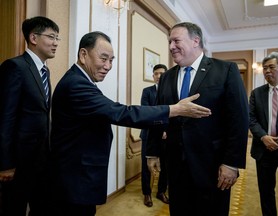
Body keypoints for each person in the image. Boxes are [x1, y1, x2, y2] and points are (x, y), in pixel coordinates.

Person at [48, 31, 212, 216]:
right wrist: (173, 110)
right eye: (103, 58)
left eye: (111, 60)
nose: (108, 66)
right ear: (83, 54)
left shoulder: (80, 81)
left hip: (78, 175)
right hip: (74, 179)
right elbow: (121, 112)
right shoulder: (76, 85)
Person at [146, 22, 249, 216]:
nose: (171, 47)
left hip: (212, 166)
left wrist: (231, 163)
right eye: (169, 42)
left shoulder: (225, 70)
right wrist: (153, 152)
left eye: (176, 40)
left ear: (195, 41)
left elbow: (239, 119)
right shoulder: (167, 77)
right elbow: (158, 115)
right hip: (176, 165)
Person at [0, 16, 60, 216]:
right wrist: (6, 164)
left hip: (42, 159)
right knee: (13, 209)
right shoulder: (15, 67)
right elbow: (5, 118)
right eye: (51, 37)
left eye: (57, 38)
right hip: (19, 162)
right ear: (33, 37)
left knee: (42, 207)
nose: (55, 43)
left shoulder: (44, 70)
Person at [249, 51, 278, 216]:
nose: (267, 71)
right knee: (265, 192)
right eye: (264, 68)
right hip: (263, 150)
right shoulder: (256, 93)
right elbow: (250, 119)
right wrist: (264, 137)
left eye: (271, 67)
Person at [140, 64, 169, 207]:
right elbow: (146, 113)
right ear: (153, 76)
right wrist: (160, 128)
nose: (159, 76)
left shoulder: (170, 92)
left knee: (166, 165)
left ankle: (161, 191)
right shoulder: (147, 91)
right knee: (146, 167)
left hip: (166, 136)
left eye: (162, 73)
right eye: (156, 73)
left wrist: (166, 130)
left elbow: (172, 114)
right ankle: (147, 193)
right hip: (148, 134)